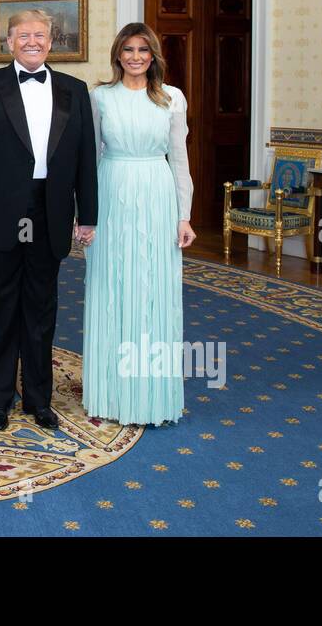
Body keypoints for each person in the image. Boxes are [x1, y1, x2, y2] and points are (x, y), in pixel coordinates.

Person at [0, 9, 97, 431]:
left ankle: (39, 398)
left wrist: (86, 214)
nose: (32, 41)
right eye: (23, 35)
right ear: (9, 42)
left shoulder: (75, 90)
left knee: (40, 312)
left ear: (51, 42)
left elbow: (86, 157)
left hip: (50, 212)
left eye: (40, 35)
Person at [82, 23, 196, 427]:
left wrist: (185, 215)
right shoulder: (100, 97)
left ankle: (151, 396)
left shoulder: (172, 98)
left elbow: (180, 160)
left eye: (142, 50)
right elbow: (90, 160)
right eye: (127, 49)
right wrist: (85, 215)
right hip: (111, 192)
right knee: (112, 286)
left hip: (157, 195)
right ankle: (111, 394)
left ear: (153, 56)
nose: (135, 56)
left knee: (152, 289)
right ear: (117, 55)